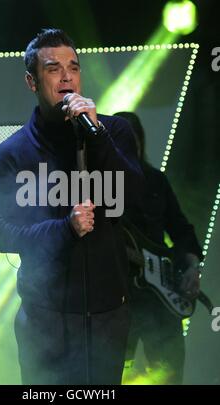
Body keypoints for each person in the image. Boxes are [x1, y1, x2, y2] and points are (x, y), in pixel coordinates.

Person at [0, 28, 143, 385]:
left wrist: (96, 133)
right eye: (53, 68)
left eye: (73, 67)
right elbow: (2, 234)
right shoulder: (14, 153)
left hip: (108, 313)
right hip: (46, 319)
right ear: (32, 81)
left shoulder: (112, 132)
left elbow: (137, 198)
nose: (67, 76)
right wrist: (64, 229)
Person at [114, 111, 203, 385]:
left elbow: (182, 230)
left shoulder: (156, 181)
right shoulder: (99, 187)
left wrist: (191, 266)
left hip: (161, 299)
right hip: (118, 299)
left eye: (133, 139)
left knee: (168, 373)